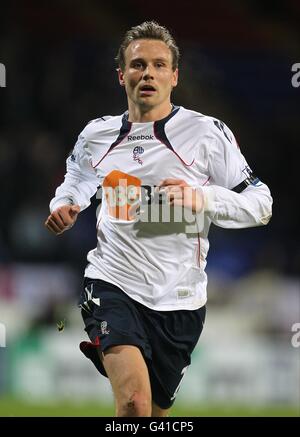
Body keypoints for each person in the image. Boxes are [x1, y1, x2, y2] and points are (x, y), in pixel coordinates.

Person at [45, 21, 272, 417]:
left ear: (174, 76)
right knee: (134, 405)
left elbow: (260, 203)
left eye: (159, 65)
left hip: (180, 300)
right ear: (121, 75)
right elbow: (78, 178)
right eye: (137, 65)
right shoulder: (96, 135)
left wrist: (199, 197)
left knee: (155, 415)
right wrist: (65, 203)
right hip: (112, 283)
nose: (147, 73)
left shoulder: (206, 134)